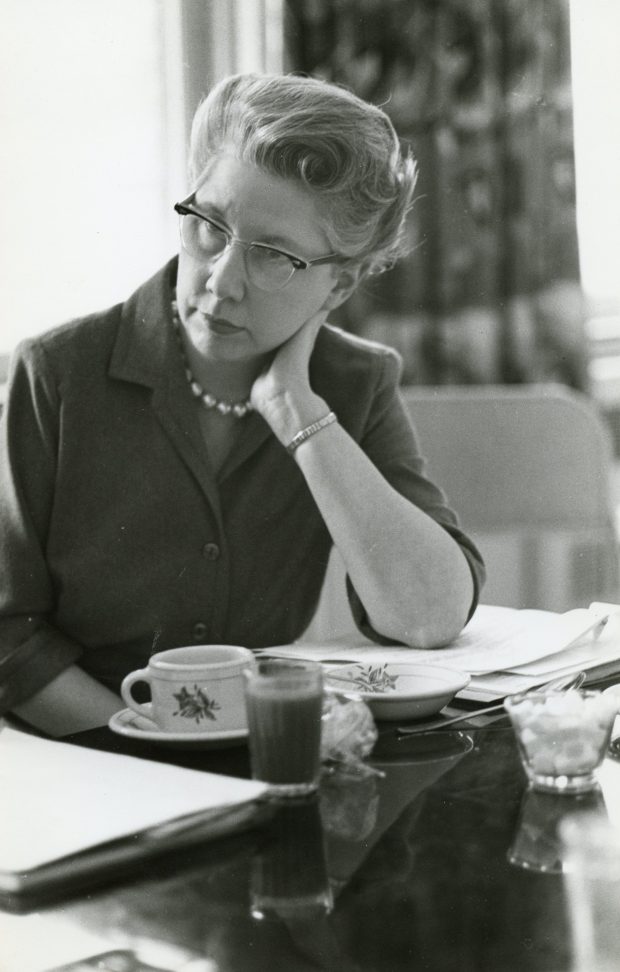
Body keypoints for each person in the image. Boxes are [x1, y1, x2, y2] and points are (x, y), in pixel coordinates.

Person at [0, 72, 484, 737]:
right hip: (78, 762)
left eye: (275, 257)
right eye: (209, 227)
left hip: (252, 762)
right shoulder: (54, 374)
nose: (223, 281)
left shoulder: (353, 382)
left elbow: (428, 615)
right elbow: (8, 635)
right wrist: (158, 748)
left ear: (338, 286)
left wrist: (297, 411)